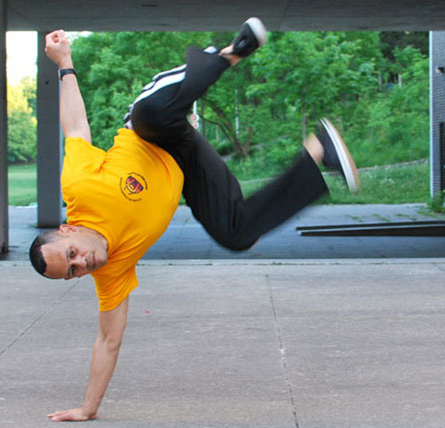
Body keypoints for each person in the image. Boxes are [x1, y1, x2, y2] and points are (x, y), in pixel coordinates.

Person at [30, 18, 359, 422]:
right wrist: (88, 408)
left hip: (153, 131)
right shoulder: (111, 274)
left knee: (150, 111)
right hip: (187, 167)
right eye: (73, 273)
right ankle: (318, 153)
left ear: (68, 230)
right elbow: (108, 340)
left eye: (73, 255)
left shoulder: (79, 186)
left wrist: (65, 62)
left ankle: (229, 53)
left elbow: (76, 125)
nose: (84, 264)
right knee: (236, 232)